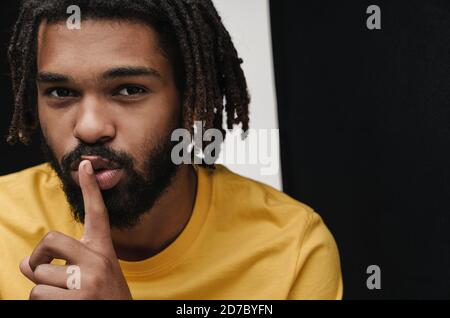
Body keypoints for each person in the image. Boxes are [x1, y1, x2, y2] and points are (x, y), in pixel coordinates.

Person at [0, 0, 343, 300]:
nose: (88, 127)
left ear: (189, 101)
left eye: (129, 89)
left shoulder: (291, 248)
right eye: (61, 93)